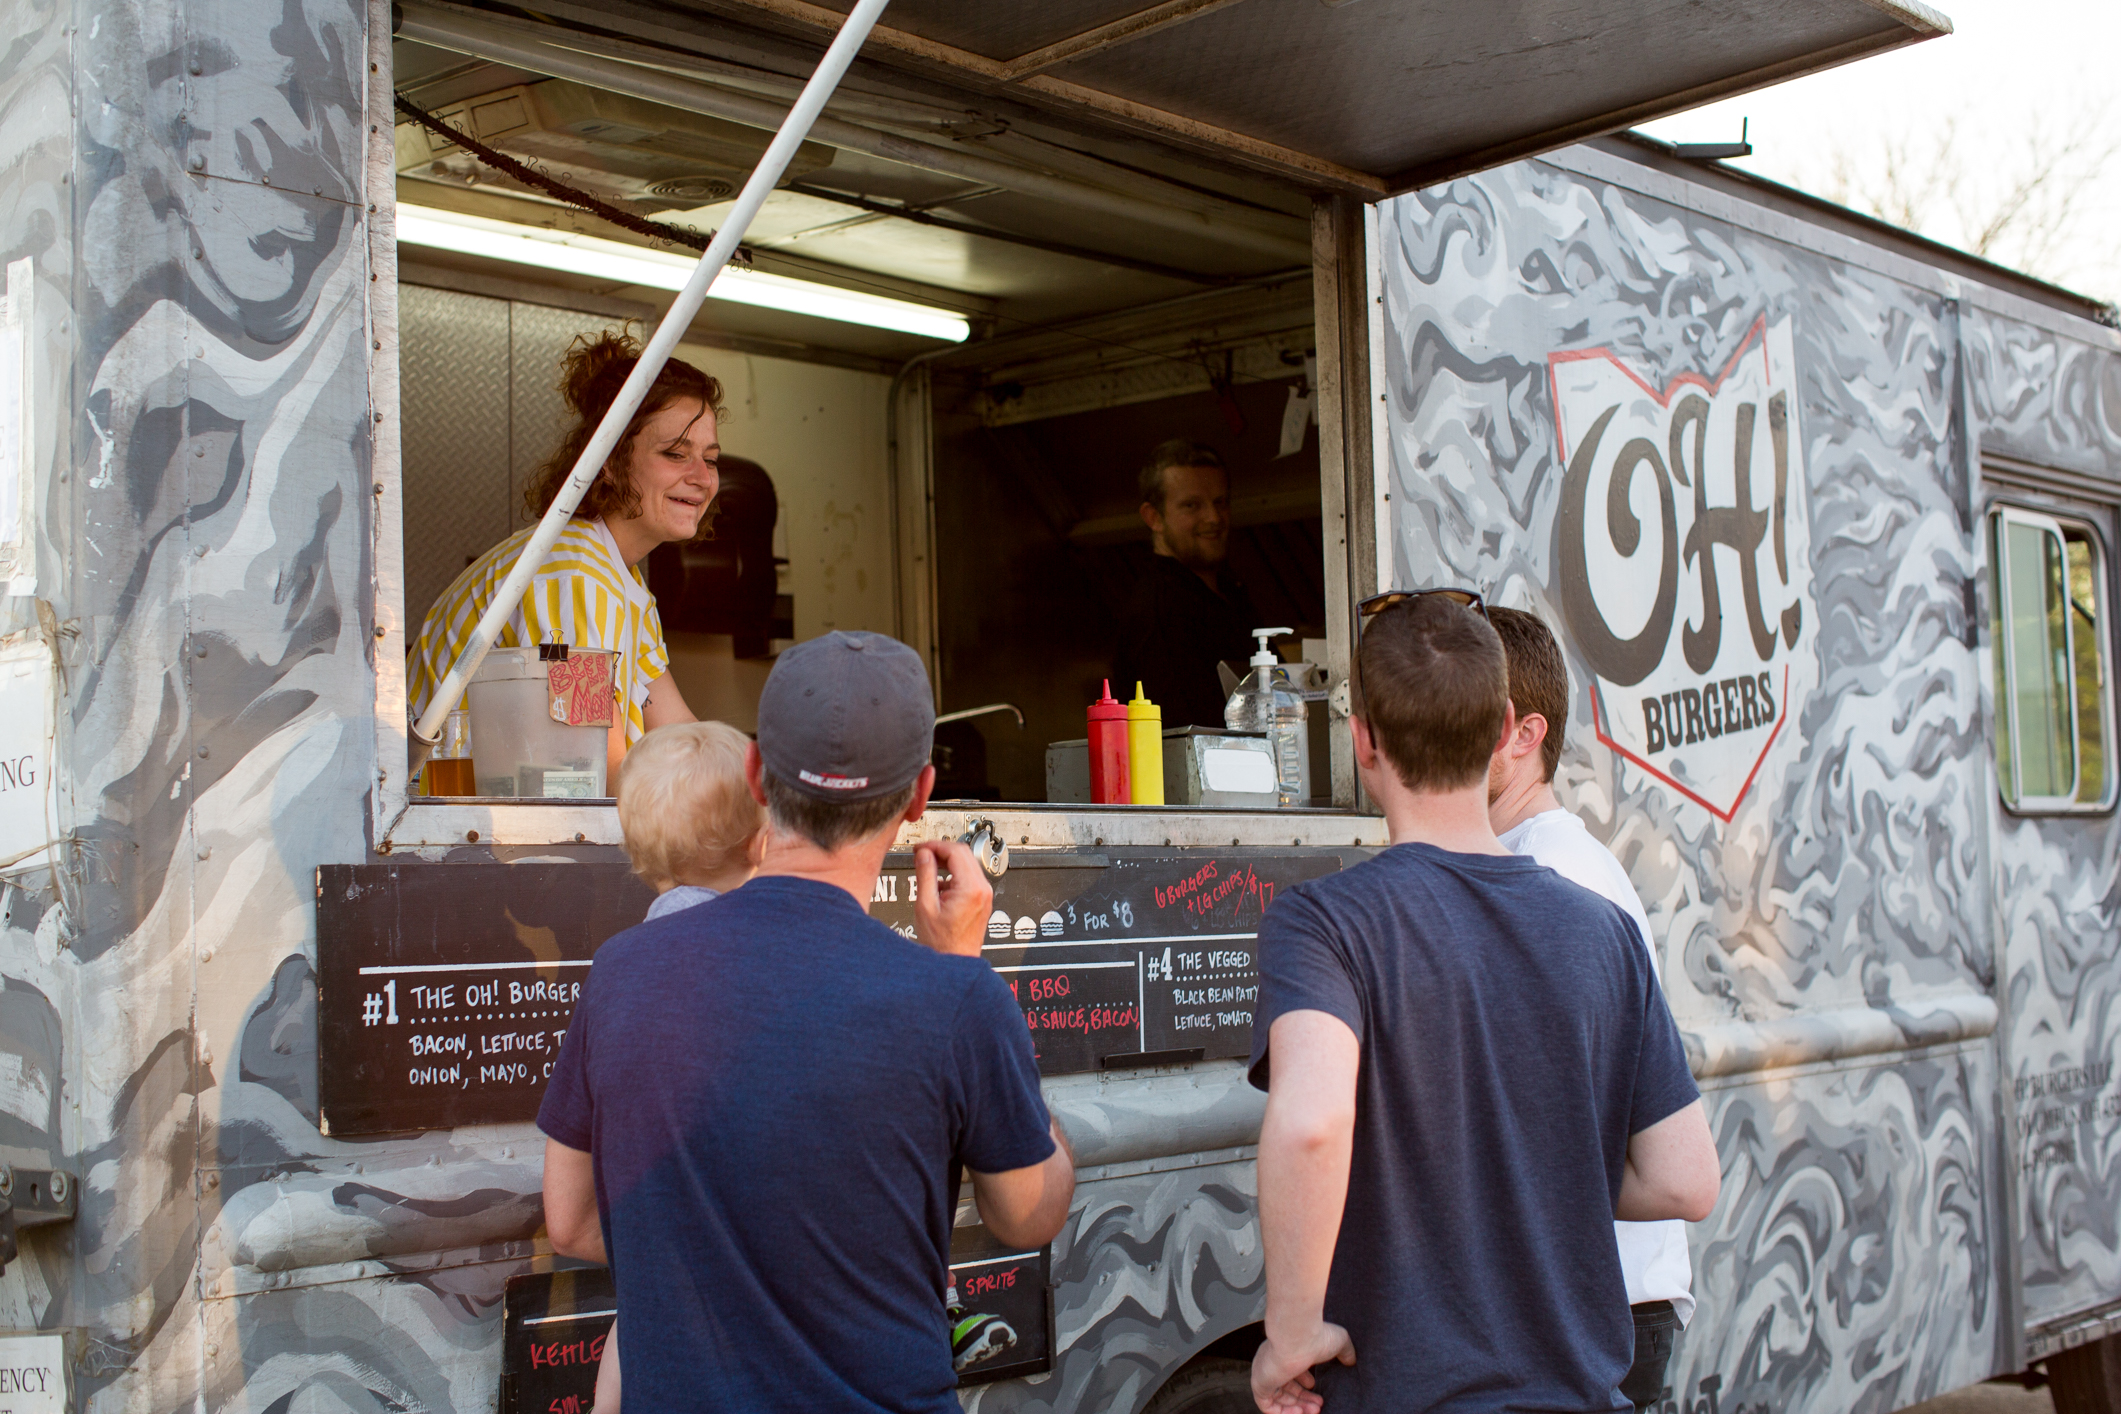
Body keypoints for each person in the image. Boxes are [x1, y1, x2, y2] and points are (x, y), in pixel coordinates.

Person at [537, 630, 1076, 1413]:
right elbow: (1029, 1214)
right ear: (921, 795)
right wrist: (964, 965)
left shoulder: (622, 972)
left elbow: (574, 1222)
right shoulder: (955, 996)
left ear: (757, 775)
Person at [1246, 592, 1720, 1414]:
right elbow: (1685, 1178)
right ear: (1504, 730)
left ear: (1362, 739)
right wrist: (1543, 1172)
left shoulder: (1322, 921)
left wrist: (1290, 1334)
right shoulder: (1602, 928)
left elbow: (1311, 1123)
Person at [1486, 606, 1697, 1413]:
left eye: (1466, 707)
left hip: (1601, 1299)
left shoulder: (1558, 878)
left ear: (1523, 733)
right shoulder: (1519, 862)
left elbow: (1569, 1120)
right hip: (1587, 1293)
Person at [408, 330, 712, 781]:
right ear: (608, 460)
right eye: (675, 454)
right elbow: (595, 766)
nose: (703, 477)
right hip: (440, 826)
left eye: (712, 457)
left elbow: (680, 733)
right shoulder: (574, 574)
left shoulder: (626, 586)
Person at [591, 718, 769, 1414]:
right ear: (762, 841)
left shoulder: (617, 967)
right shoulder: (763, 950)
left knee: (632, 1323)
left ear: (637, 852)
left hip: (657, 1238)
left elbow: (573, 1217)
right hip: (754, 1238)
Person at [1111, 439, 1261, 729]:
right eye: (1192, 505)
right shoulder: (1158, 612)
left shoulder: (1230, 593)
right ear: (1153, 517)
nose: (1214, 517)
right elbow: (1183, 735)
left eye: (1221, 502)